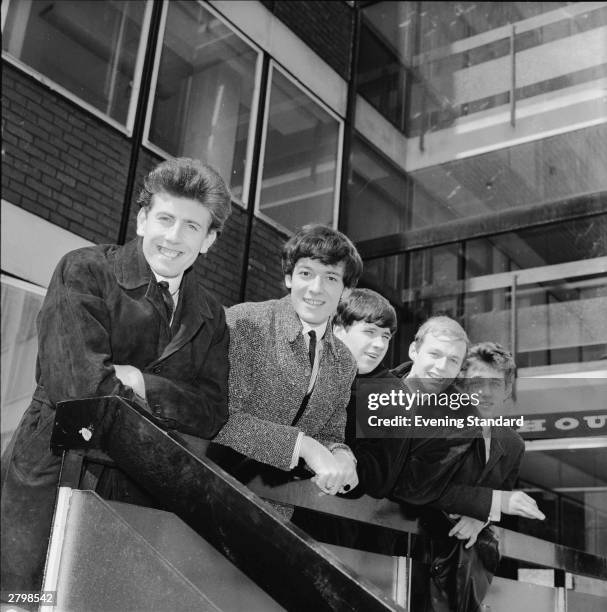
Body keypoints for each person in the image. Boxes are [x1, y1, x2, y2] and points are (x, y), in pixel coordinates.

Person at [1, 157, 232, 594]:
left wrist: (142, 383)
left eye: (191, 227)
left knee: (102, 601)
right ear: (143, 219)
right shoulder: (85, 270)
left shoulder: (211, 316)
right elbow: (82, 390)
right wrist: (168, 399)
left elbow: (213, 412)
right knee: (25, 600)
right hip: (55, 473)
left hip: (140, 493)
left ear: (209, 241)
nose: (173, 237)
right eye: (165, 218)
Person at [208, 224, 363, 506]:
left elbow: (329, 433)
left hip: (275, 514)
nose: (316, 288)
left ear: (345, 290)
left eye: (330, 278)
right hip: (208, 495)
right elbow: (221, 418)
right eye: (306, 273)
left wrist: (341, 453)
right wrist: (303, 446)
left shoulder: (344, 360)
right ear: (289, 277)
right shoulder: (245, 322)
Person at [410, 342, 538, 611]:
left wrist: (481, 517)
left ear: (506, 390)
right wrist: (484, 506)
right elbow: (422, 486)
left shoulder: (513, 443)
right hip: (417, 552)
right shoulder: (437, 425)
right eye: (477, 382)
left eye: (496, 384)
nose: (486, 392)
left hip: (466, 567)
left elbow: (501, 494)